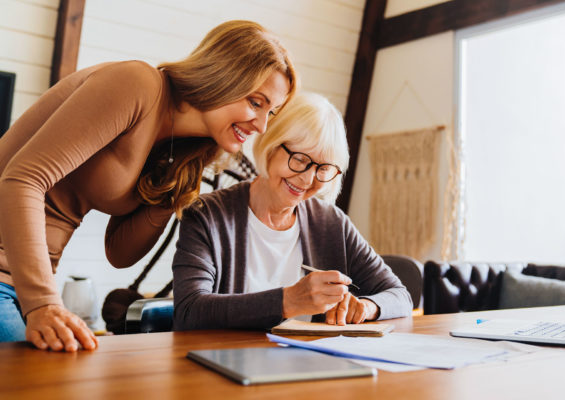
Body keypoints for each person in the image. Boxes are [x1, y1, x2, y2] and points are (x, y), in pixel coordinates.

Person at [0, 20, 297, 351]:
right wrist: (43, 303)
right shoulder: (137, 84)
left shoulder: (186, 153)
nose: (262, 125)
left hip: (18, 284)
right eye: (257, 102)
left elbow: (120, 253)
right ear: (223, 75)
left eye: (272, 112)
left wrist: (173, 191)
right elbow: (22, 178)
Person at [172, 92, 413, 330]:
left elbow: (400, 296)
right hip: (224, 363)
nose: (308, 179)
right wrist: (288, 301)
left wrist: (366, 306)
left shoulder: (331, 223)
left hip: (310, 365)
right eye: (299, 159)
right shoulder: (207, 216)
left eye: (323, 168)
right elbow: (189, 311)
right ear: (271, 146)